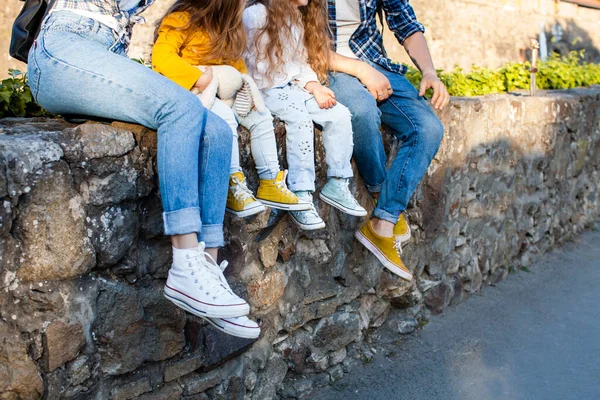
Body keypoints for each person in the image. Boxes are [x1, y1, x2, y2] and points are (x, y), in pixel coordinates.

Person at [26, 0, 259, 339]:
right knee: (179, 108)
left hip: (107, 53)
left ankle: (207, 265)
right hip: (64, 47)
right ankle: (184, 263)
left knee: (217, 131)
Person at [152, 0, 311, 219]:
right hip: (194, 91)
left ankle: (270, 181)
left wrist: (247, 86)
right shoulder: (181, 20)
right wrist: (197, 78)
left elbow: (236, 63)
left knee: (261, 117)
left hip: (224, 90)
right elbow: (161, 56)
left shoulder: (228, 29)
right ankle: (232, 183)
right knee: (225, 119)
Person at [326, 0, 450, 280]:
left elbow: (405, 23)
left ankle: (383, 222)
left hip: (374, 62)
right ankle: (385, 196)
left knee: (428, 128)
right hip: (327, 68)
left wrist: (429, 72)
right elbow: (300, 46)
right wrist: (360, 71)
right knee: (361, 112)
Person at [243, 0, 367, 231]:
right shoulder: (255, 16)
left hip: (293, 87)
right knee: (299, 119)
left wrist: (314, 86)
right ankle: (301, 194)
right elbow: (239, 58)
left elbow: (299, 64)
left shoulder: (295, 18)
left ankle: (337, 182)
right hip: (263, 90)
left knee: (338, 114)